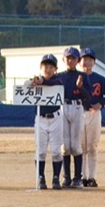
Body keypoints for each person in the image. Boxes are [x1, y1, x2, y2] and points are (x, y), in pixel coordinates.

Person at [78, 49, 105, 188]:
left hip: (94, 113)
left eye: (89, 59)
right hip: (78, 112)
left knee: (92, 146)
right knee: (80, 147)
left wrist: (101, 104)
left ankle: (91, 177)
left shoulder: (100, 79)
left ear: (94, 62)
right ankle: (81, 177)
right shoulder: (76, 77)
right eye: (84, 59)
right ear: (79, 62)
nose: (87, 62)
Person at [32, 54, 64, 189]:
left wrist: (42, 82)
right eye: (45, 66)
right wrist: (32, 82)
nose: (48, 69)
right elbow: (25, 87)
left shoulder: (58, 80)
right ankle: (40, 177)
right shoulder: (36, 81)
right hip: (40, 119)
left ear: (55, 69)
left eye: (51, 67)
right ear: (41, 67)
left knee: (56, 151)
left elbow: (55, 84)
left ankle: (56, 178)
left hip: (56, 117)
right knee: (40, 150)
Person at [59, 47, 87, 187]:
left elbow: (89, 96)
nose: (70, 60)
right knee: (65, 145)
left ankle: (77, 178)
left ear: (77, 60)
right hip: (63, 106)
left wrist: (81, 87)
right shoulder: (59, 76)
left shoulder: (82, 76)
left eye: (73, 58)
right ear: (64, 59)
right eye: (68, 58)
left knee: (75, 145)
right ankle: (66, 177)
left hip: (77, 106)